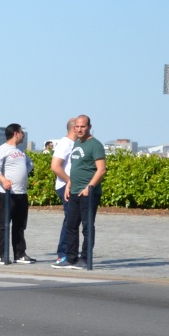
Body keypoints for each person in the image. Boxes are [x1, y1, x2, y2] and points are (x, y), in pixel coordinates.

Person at [54, 115, 107, 269]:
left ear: (89, 127)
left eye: (82, 126)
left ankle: (85, 259)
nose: (79, 129)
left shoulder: (95, 145)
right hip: (74, 191)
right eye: (77, 126)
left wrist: (89, 188)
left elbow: (101, 170)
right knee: (71, 225)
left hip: (88, 194)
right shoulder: (76, 144)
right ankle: (71, 258)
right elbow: (75, 168)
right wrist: (69, 184)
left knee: (87, 227)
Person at [0, 123, 35, 264]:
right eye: (21, 132)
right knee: (4, 225)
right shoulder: (2, 150)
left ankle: (19, 254)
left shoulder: (21, 152)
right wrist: (3, 180)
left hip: (21, 192)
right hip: (7, 193)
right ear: (16, 133)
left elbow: (30, 164)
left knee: (20, 225)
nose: (23, 135)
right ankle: (1, 255)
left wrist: (22, 174)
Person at [48, 118, 77, 265]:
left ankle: (70, 252)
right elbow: (55, 166)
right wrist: (69, 181)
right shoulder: (65, 143)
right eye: (78, 127)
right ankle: (63, 253)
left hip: (74, 186)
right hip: (65, 186)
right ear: (73, 128)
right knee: (70, 220)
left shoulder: (75, 144)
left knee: (73, 220)